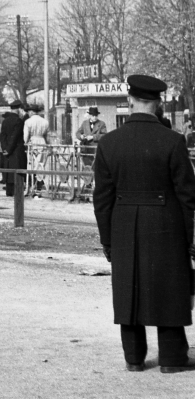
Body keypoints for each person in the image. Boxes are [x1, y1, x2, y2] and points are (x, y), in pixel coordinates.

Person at [93, 74, 195, 373]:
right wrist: (191, 239)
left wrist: (107, 239)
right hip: (167, 223)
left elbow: (102, 198)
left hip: (123, 223)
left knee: (128, 288)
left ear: (129, 101)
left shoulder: (110, 143)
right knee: (169, 287)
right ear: (158, 104)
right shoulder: (173, 141)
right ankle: (173, 358)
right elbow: (189, 196)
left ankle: (134, 358)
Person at [0, 100, 27, 197]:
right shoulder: (19, 121)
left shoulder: (5, 121)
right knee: (17, 170)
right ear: (18, 109)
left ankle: (9, 191)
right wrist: (10, 149)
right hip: (16, 150)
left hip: (7, 150)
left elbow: (3, 136)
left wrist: (5, 148)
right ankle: (16, 192)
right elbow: (14, 136)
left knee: (8, 170)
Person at [24, 102, 51, 197]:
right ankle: (39, 186)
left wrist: (26, 142)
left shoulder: (28, 122)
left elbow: (25, 136)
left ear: (31, 112)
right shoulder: (45, 122)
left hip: (33, 142)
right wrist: (48, 144)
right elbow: (47, 136)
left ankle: (32, 186)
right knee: (41, 165)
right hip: (42, 142)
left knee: (31, 165)